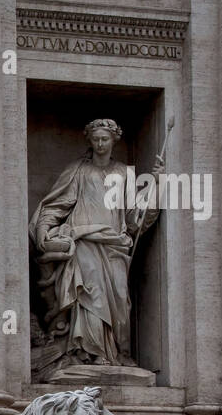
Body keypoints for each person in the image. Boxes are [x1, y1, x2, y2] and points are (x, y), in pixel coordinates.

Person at [30, 118, 162, 370]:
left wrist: (155, 186)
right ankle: (88, 353)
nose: (100, 144)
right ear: (89, 141)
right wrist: (44, 228)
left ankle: (115, 353)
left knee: (120, 299)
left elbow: (136, 218)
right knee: (89, 295)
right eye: (96, 139)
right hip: (85, 241)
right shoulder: (78, 170)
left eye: (105, 139)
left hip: (115, 244)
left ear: (114, 141)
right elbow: (56, 205)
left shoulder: (125, 173)